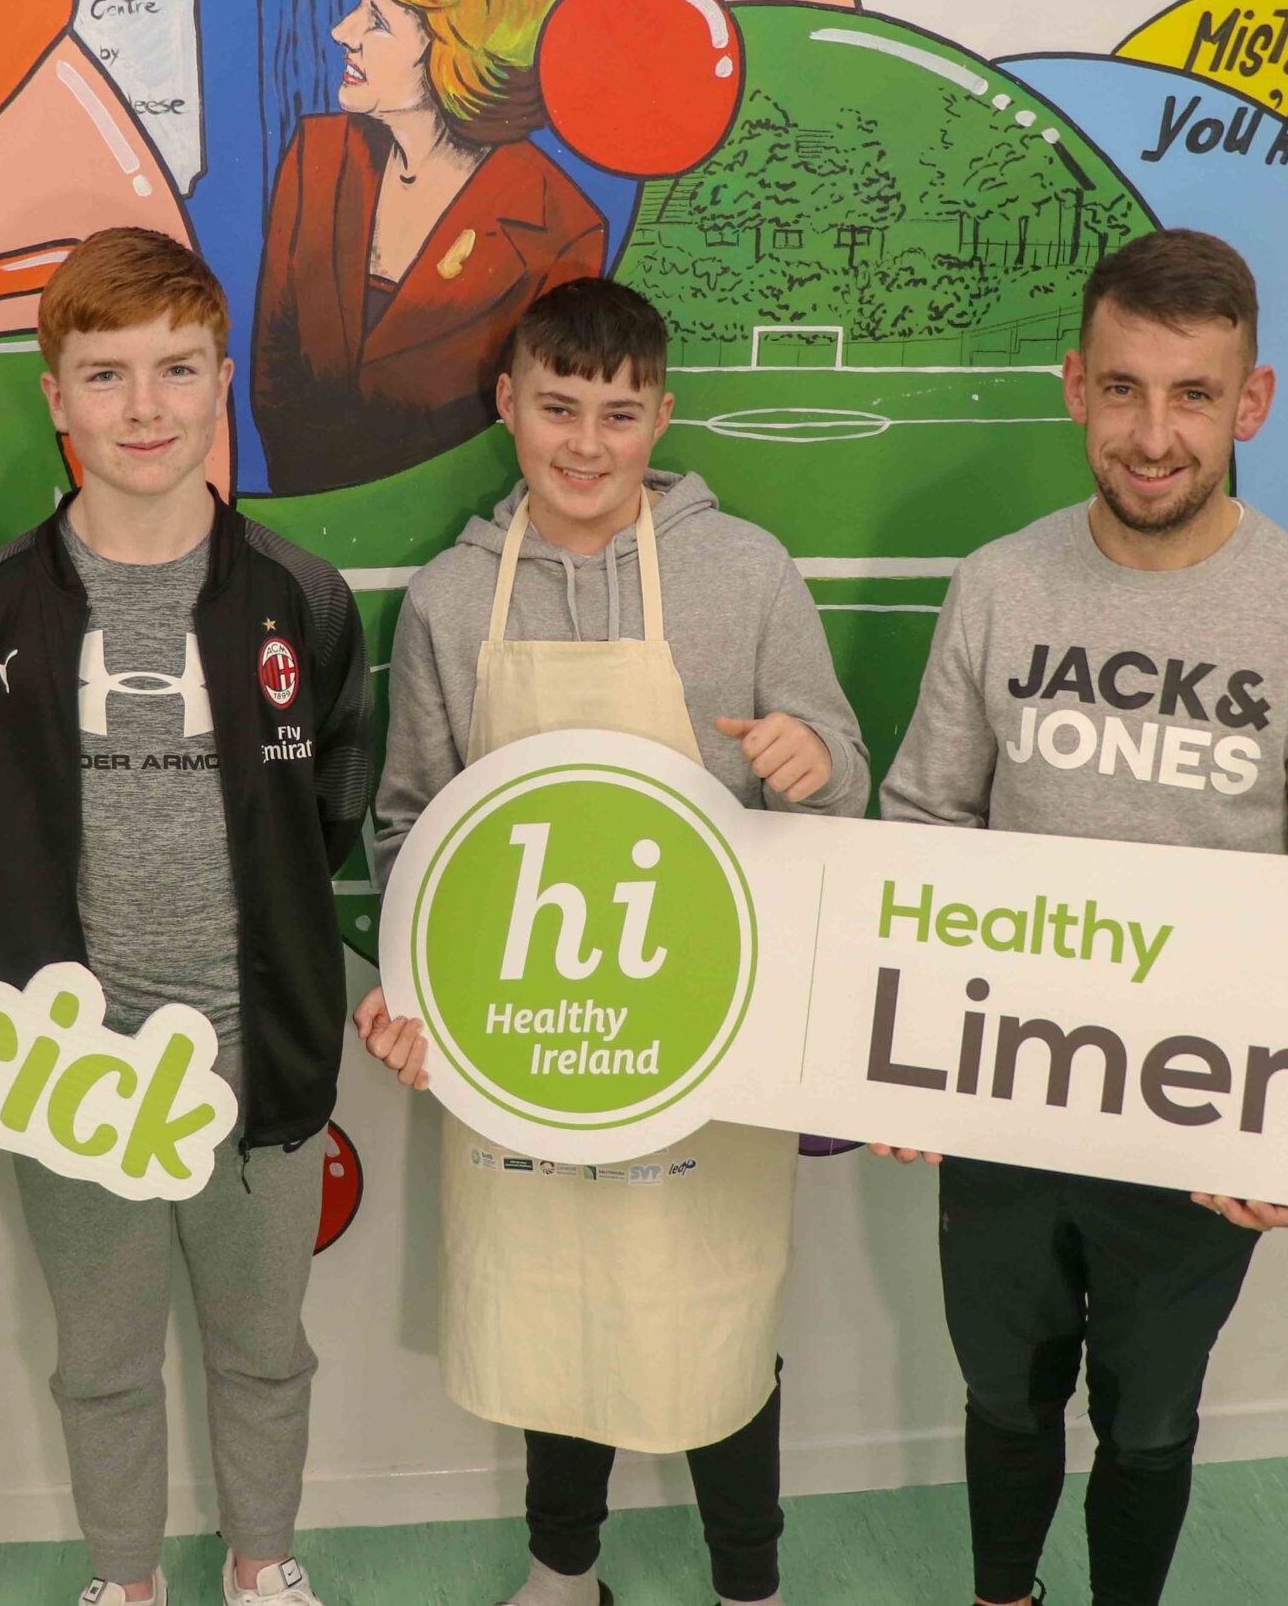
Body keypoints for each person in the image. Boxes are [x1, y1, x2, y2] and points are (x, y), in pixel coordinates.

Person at [0, 227, 372, 1606]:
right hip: (69, 1056)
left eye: (178, 369)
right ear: (55, 397)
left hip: (263, 1050)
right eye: (107, 375)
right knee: (104, 1352)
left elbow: (333, 826)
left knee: (263, 1344)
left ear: (222, 380)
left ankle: (263, 1562)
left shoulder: (301, 596)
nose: (146, 409)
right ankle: (122, 1579)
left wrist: (349, 983)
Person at [875, 227, 1288, 1606]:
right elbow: (927, 822)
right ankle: (1005, 1595)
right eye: (1124, 388)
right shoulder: (1001, 584)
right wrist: (899, 1049)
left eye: (1192, 394)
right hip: (1004, 1092)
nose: (1154, 432)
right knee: (1005, 1391)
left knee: (1152, 1416)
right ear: (1075, 385)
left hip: (1205, 1113)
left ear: (1254, 401)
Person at [357, 277, 869, 1606]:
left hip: (709, 1021)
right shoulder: (449, 602)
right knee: (549, 1302)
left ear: (662, 415)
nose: (587, 442)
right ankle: (561, 1568)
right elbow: (410, 825)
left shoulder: (742, 569)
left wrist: (813, 760)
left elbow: (845, 765)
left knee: (715, 1310)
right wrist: (414, 992)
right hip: (528, 1027)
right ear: (507, 405)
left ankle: (747, 1579)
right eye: (559, 407)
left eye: (619, 413)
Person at [252, 0, 605, 492]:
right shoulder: (318, 155)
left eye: (377, 20)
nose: (343, 32)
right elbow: (274, 368)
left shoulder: (560, 224)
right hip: (310, 508)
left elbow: (541, 421)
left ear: (454, 57)